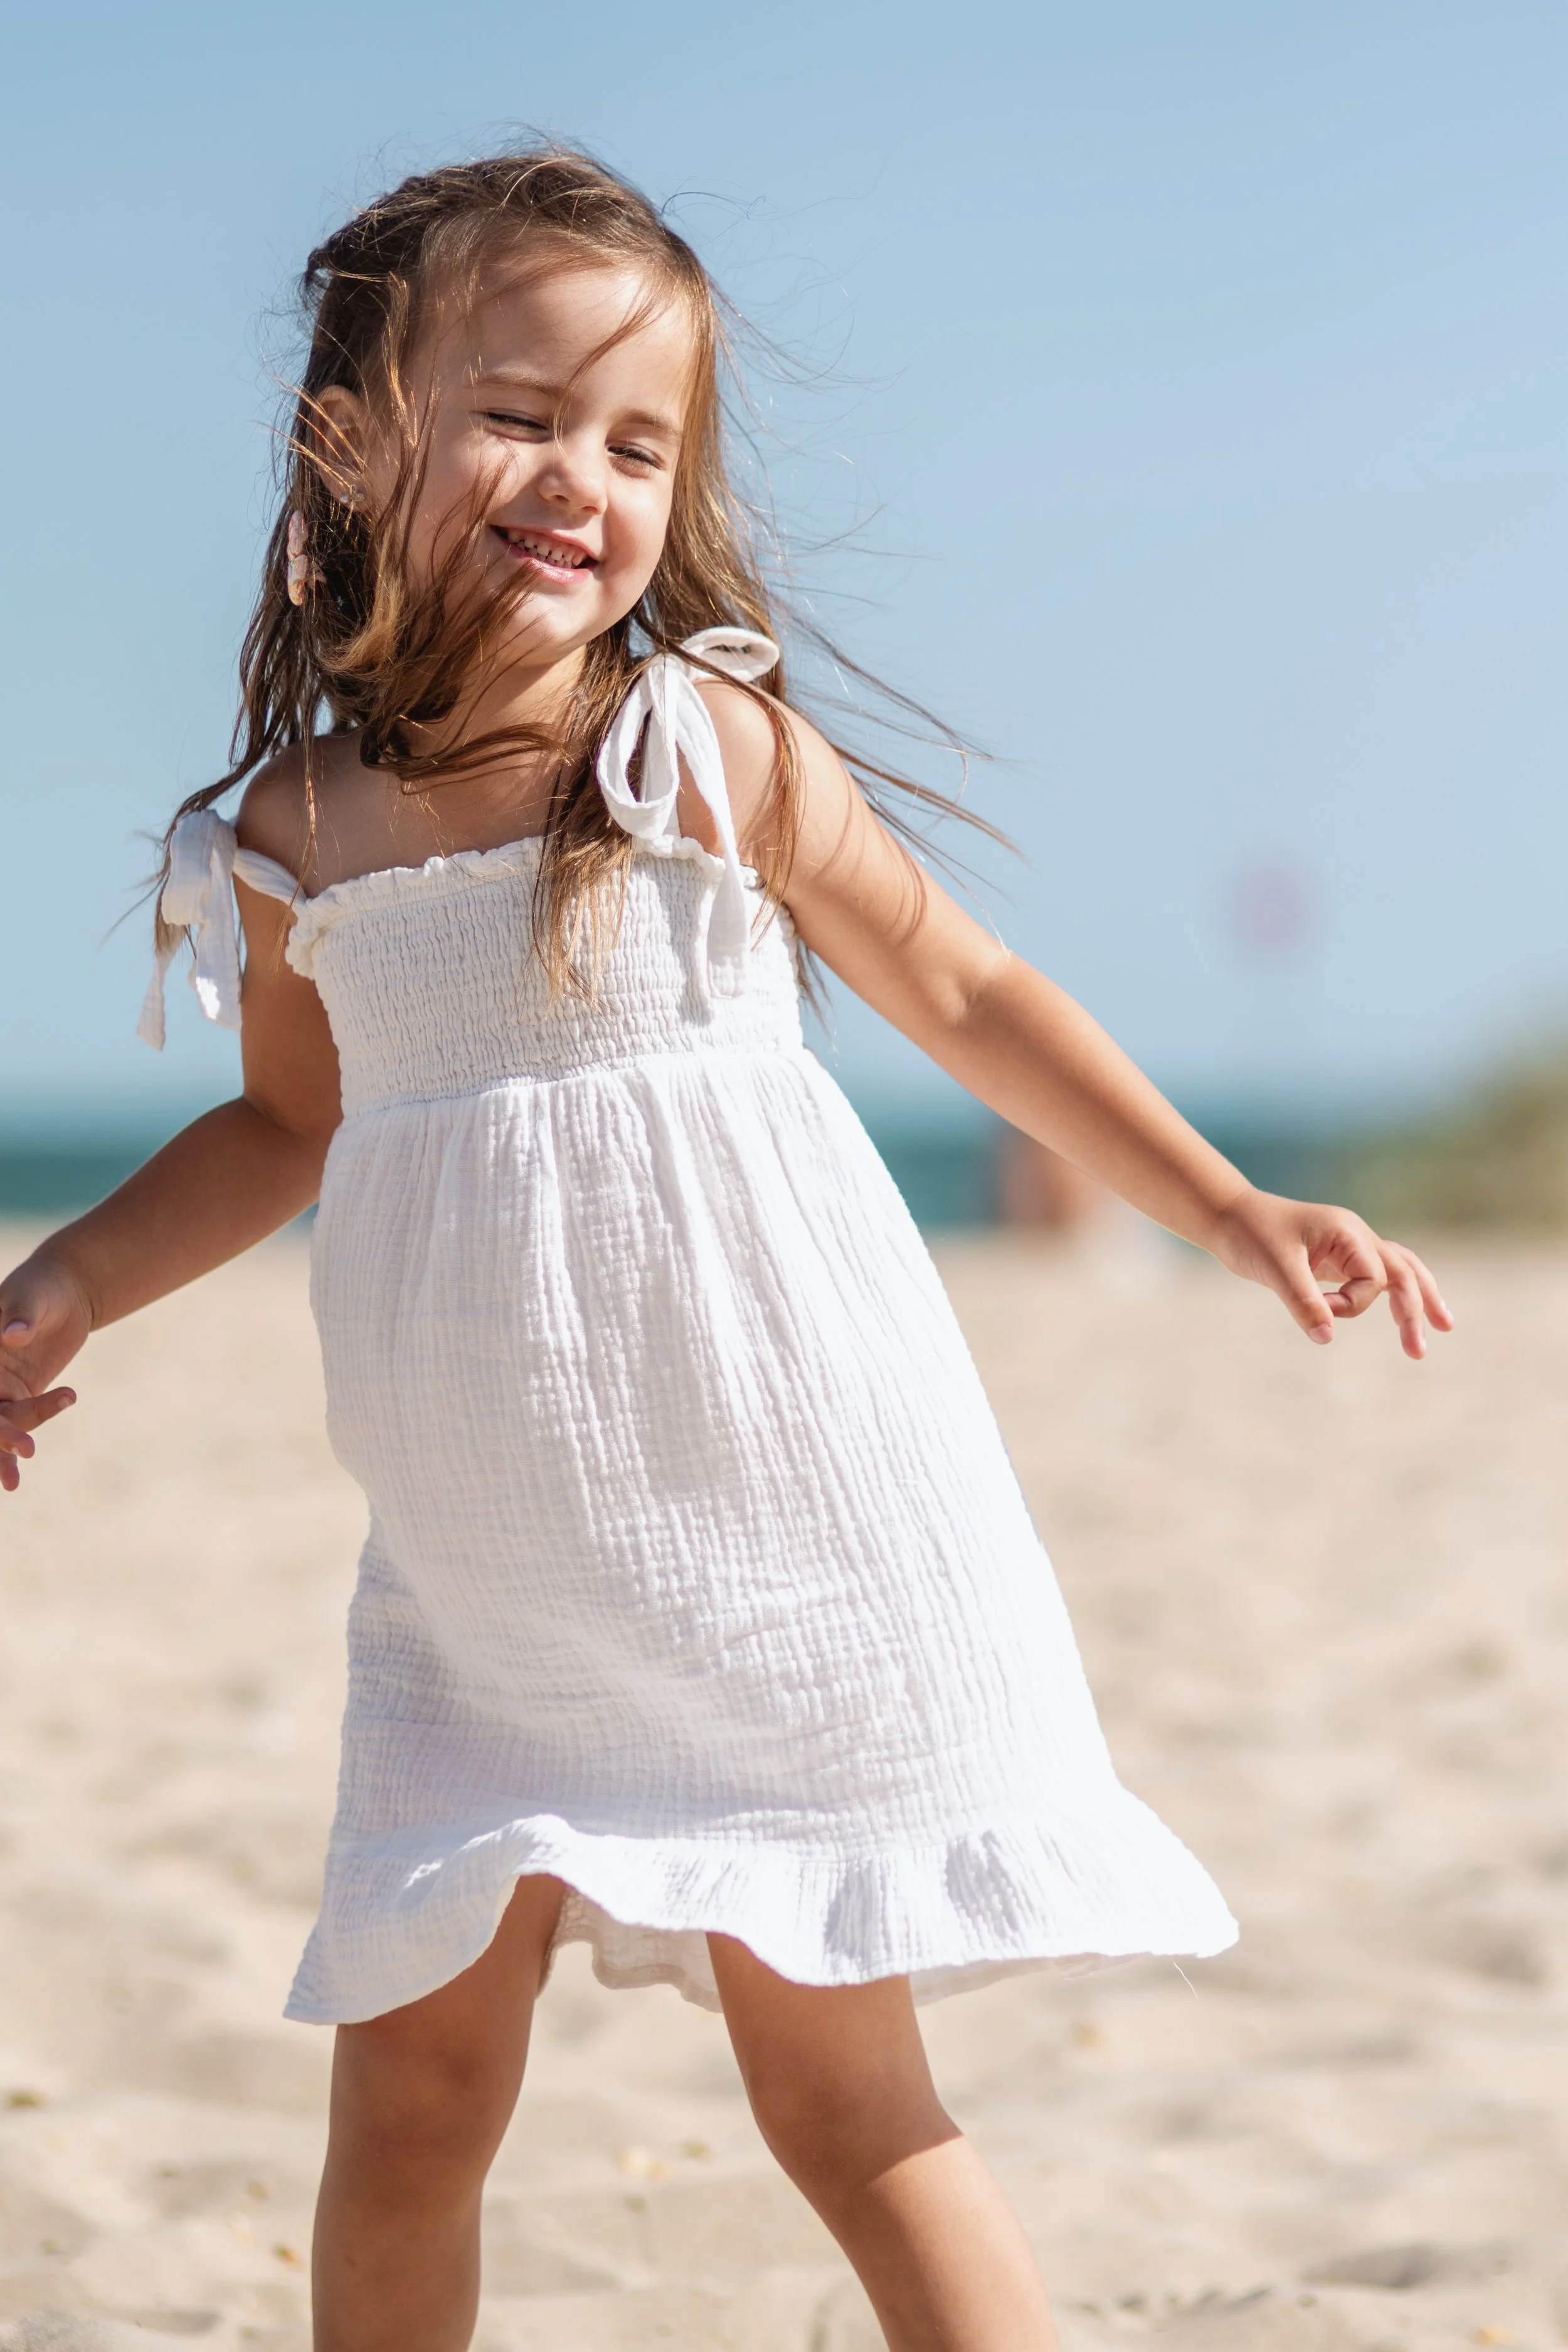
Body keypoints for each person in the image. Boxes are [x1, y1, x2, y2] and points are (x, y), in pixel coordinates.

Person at [0, 150, 1449, 2352]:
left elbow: (965, 994)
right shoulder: (289, 832)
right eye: (516, 411)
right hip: (480, 1592)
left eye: (635, 441)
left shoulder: (703, 749)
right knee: (405, 2097)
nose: (576, 476)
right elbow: (289, 1119)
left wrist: (1220, 1196)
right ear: (351, 436)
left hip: (780, 1532)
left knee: (842, 2097)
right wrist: (72, 1278)